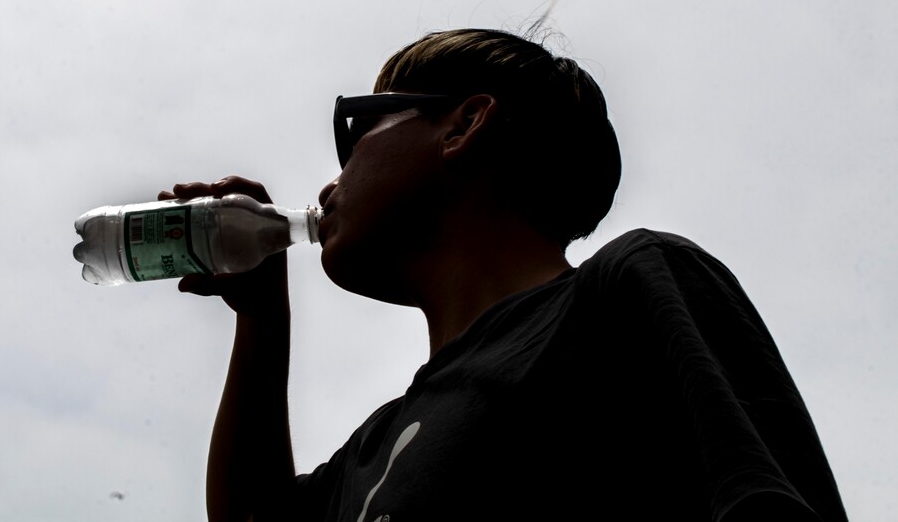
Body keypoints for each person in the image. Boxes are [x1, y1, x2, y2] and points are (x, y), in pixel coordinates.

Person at [160, 28, 849, 521]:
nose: (332, 181)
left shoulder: (625, 291)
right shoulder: (382, 443)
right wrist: (261, 315)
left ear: (463, 125)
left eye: (356, 133)